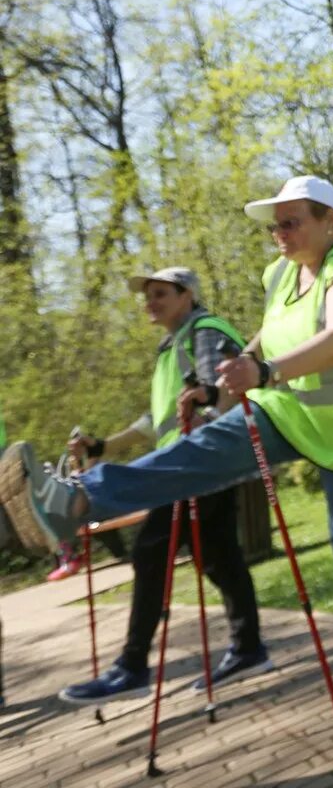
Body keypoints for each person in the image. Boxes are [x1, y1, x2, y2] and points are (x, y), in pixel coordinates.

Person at [26, 176, 333, 729]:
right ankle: (77, 501)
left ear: (329, 221)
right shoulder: (283, 273)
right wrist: (221, 387)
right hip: (297, 409)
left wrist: (264, 372)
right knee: (201, 450)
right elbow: (265, 338)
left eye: (292, 221)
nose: (279, 233)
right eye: (275, 224)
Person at [49, 268, 270, 705]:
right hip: (190, 465)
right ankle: (249, 648)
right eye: (147, 296)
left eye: (160, 294)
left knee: (152, 552)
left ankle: (132, 666)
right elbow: (157, 422)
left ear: (187, 295)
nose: (150, 302)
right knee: (218, 558)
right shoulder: (172, 346)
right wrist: (103, 445)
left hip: (195, 465)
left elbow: (219, 394)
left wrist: (197, 446)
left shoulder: (204, 332)